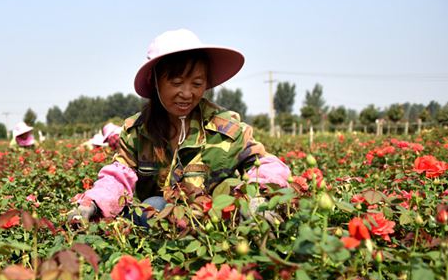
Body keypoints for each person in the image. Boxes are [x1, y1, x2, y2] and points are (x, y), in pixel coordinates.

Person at [69, 29, 291, 224]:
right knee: (153, 205)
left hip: (216, 226)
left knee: (234, 192)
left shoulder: (225, 128)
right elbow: (119, 176)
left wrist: (259, 195)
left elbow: (266, 163)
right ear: (156, 81)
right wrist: (93, 202)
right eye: (176, 83)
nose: (187, 94)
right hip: (160, 226)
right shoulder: (137, 131)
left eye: (197, 84)